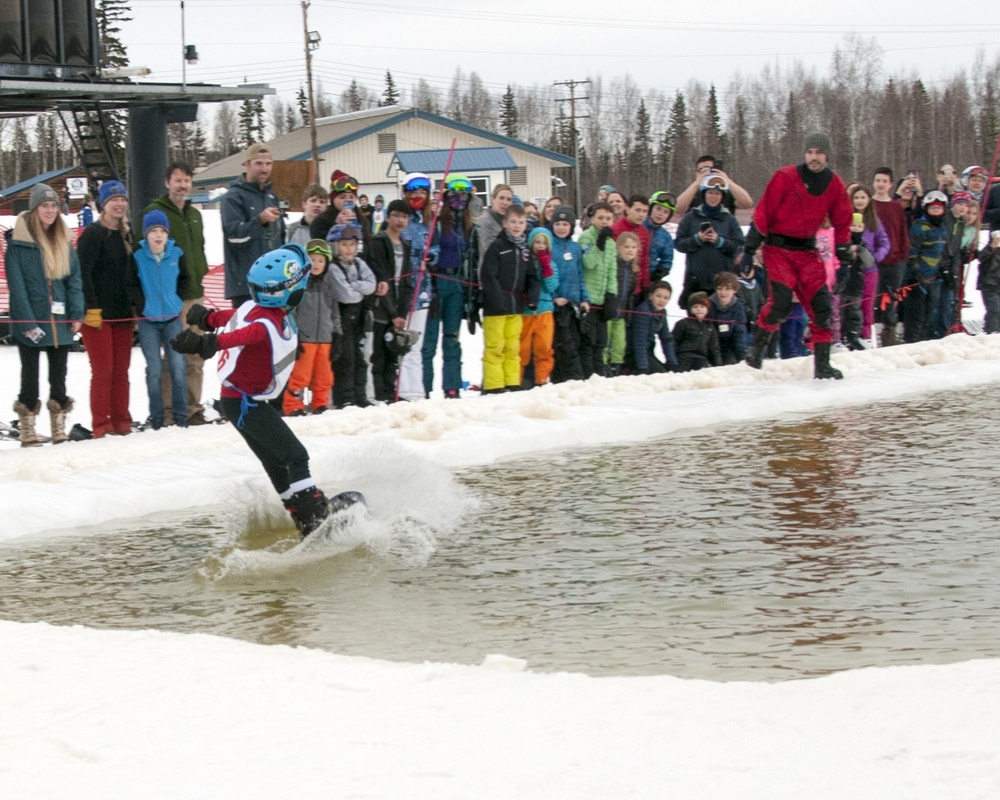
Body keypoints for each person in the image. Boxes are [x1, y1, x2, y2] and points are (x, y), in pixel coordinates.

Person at [172, 245, 348, 537]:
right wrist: (206, 343)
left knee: (275, 460)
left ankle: (300, 514)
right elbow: (240, 334)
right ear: (292, 291)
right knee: (296, 455)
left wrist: (205, 318)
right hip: (246, 405)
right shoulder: (266, 323)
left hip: (239, 402)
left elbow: (232, 317)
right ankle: (315, 517)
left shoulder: (255, 308)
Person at [745, 132, 853, 380]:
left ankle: (822, 365)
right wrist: (751, 245)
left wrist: (844, 256)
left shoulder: (835, 184)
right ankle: (756, 350)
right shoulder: (786, 177)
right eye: (810, 152)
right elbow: (764, 211)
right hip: (778, 250)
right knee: (780, 304)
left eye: (819, 152)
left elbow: (843, 219)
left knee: (822, 309)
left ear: (827, 155)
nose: (814, 157)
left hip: (807, 252)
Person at [6, 184, 84, 446]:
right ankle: (27, 428)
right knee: (30, 376)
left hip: (59, 320)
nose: (50, 210)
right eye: (44, 205)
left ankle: (58, 425)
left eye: (53, 205)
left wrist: (76, 313)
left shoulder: (64, 241)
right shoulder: (18, 244)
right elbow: (17, 288)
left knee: (58, 375)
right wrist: (28, 323)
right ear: (35, 209)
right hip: (31, 320)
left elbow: (74, 281)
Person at [145, 161, 211, 426]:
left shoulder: (195, 215)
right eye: (177, 180)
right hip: (171, 297)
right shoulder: (156, 213)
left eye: (186, 180)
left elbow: (201, 248)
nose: (182, 185)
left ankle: (194, 410)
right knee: (174, 357)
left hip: (196, 294)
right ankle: (170, 411)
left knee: (196, 356)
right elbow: (144, 254)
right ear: (167, 183)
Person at [77, 180, 135, 437]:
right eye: (114, 200)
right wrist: (90, 308)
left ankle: (122, 421)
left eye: (122, 199)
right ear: (104, 204)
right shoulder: (93, 234)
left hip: (123, 312)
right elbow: (83, 273)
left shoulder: (126, 234)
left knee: (121, 371)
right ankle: (101, 424)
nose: (119, 204)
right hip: (98, 314)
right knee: (103, 371)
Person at [127, 210, 190, 430]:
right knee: (154, 369)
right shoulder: (137, 255)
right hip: (148, 320)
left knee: (177, 365)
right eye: (153, 230)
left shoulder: (177, 253)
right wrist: (142, 305)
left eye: (162, 230)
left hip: (172, 318)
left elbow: (185, 279)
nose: (158, 235)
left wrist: (177, 300)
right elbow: (131, 284)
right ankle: (157, 417)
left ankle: (181, 415)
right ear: (146, 234)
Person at [423, 174, 474, 399]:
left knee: (452, 338)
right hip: (437, 283)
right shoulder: (437, 222)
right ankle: (423, 386)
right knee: (430, 341)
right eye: (454, 194)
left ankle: (451, 385)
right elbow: (428, 250)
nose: (459, 198)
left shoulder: (469, 225)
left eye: (463, 194)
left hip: (457, 284)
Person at [479, 204, 540, 393]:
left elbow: (532, 276)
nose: (517, 226)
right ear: (505, 223)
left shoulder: (525, 250)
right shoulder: (497, 246)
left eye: (521, 222)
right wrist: (496, 299)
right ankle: (494, 385)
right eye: (513, 222)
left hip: (516, 306)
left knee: (513, 346)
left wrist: (532, 296)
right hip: (496, 307)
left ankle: (512, 381)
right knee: (496, 346)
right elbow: (487, 274)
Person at [221, 143, 286, 306]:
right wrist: (260, 221)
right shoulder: (232, 198)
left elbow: (280, 239)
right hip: (245, 288)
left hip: (273, 282)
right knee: (249, 332)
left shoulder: (272, 196)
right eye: (259, 163)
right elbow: (234, 237)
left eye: (268, 164)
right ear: (247, 165)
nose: (264, 169)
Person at [283, 239, 341, 416]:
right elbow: (291, 313)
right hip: (305, 339)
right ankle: (294, 405)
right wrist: (294, 336)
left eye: (321, 261)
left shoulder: (329, 287)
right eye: (313, 260)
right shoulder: (299, 286)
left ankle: (320, 403)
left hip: (325, 339)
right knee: (301, 375)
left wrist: (338, 335)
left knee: (324, 376)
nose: (316, 264)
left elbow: (335, 314)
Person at [366, 200, 413, 403]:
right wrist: (393, 313)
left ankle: (391, 391)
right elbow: (381, 276)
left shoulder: (406, 245)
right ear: (387, 217)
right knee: (379, 353)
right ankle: (379, 393)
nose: (400, 220)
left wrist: (402, 312)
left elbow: (406, 281)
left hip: (397, 308)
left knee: (393, 352)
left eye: (404, 217)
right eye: (396, 215)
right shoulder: (378, 242)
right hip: (381, 308)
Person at [675, 175, 745, 309]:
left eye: (717, 193)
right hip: (695, 282)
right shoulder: (691, 217)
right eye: (710, 192)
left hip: (722, 285)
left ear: (722, 196)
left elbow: (739, 245)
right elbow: (679, 243)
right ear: (704, 194)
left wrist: (720, 242)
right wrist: (697, 240)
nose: (713, 196)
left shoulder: (729, 219)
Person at [326, 224, 376, 408]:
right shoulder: (333, 268)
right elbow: (346, 296)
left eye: (353, 244)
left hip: (360, 320)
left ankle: (360, 395)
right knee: (345, 359)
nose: (349, 249)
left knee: (361, 359)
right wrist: (359, 287)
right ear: (335, 245)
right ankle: (344, 398)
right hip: (342, 320)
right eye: (344, 244)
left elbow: (372, 284)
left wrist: (354, 285)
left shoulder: (359, 263)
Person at [395, 172, 434, 401]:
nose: (419, 196)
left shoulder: (428, 221)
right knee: (402, 343)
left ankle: (415, 391)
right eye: (414, 192)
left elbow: (435, 248)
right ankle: (402, 390)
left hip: (423, 290)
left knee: (416, 344)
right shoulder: (400, 220)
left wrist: (430, 257)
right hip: (404, 290)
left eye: (423, 193)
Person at [550, 205, 591, 383]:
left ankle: (565, 380)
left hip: (573, 306)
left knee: (574, 343)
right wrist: (554, 298)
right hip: (557, 306)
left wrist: (584, 299)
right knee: (563, 346)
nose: (560, 227)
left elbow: (580, 275)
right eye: (557, 223)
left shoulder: (575, 248)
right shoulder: (549, 245)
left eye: (565, 224)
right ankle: (572, 380)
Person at [902, 190, 950, 343]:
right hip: (918, 278)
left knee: (930, 312)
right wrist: (914, 272)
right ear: (926, 210)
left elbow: (941, 252)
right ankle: (912, 341)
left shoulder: (942, 229)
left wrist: (943, 268)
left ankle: (924, 340)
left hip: (933, 278)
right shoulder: (920, 227)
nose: (936, 212)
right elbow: (912, 252)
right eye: (932, 209)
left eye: (939, 209)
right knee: (916, 313)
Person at [871, 167, 911, 347]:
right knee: (873, 301)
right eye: (878, 180)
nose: (880, 184)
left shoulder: (896, 206)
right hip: (874, 261)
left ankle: (889, 338)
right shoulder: (869, 204)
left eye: (884, 181)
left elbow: (902, 232)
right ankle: (873, 336)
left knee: (890, 302)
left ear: (891, 184)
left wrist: (903, 256)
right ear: (873, 182)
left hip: (895, 261)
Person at [578, 202, 617, 378]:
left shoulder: (611, 243)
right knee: (587, 340)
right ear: (592, 218)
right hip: (588, 299)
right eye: (600, 218)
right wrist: (598, 244)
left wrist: (611, 295)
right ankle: (587, 375)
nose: (604, 222)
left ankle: (599, 374)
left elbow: (612, 271)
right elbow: (588, 263)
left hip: (602, 299)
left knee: (601, 341)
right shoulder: (586, 237)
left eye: (608, 218)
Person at [520, 227, 559, 388]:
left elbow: (552, 286)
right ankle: (518, 379)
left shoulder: (551, 264)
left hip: (545, 310)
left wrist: (546, 267)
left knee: (543, 348)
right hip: (526, 311)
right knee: (522, 348)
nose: (541, 245)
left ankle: (542, 379)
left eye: (544, 242)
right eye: (537, 242)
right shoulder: (524, 262)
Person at [605, 231, 640, 376]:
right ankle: (604, 366)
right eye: (626, 247)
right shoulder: (614, 265)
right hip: (609, 312)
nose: (630, 250)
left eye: (633, 247)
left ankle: (616, 367)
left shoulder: (633, 270)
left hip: (622, 314)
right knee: (606, 342)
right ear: (618, 248)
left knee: (620, 343)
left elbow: (631, 294)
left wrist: (628, 314)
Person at [674, 154, 754, 216]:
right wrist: (696, 183)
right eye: (703, 170)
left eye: (710, 169)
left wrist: (727, 181)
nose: (707, 173)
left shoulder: (726, 191)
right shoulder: (693, 193)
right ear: (696, 174)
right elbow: (678, 209)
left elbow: (747, 203)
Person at [626, 280, 677, 374]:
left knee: (667, 372)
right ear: (650, 295)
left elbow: (666, 338)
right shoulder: (643, 311)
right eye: (658, 296)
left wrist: (672, 363)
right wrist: (643, 368)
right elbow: (639, 342)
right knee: (660, 375)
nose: (662, 300)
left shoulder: (662, 312)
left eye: (666, 298)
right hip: (633, 353)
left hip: (648, 351)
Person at [611, 196, 653, 302]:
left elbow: (644, 259)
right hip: (617, 284)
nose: (641, 215)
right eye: (638, 210)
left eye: (645, 211)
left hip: (636, 286)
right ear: (627, 209)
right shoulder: (615, 229)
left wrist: (645, 284)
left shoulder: (644, 232)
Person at [672, 292, 721, 372]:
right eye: (695, 307)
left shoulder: (710, 327)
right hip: (684, 356)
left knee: (706, 373)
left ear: (707, 309)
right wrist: (672, 361)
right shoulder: (683, 323)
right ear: (690, 309)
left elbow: (714, 348)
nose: (699, 309)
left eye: (702, 306)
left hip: (701, 358)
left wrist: (719, 365)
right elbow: (674, 341)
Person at [708, 271, 748, 364]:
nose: (723, 292)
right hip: (711, 346)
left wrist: (741, 355)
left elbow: (740, 331)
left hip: (729, 346)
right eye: (719, 288)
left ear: (734, 290)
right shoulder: (709, 305)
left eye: (727, 289)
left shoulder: (738, 307)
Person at [645, 191, 676, 282]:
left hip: (650, 279)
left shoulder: (666, 237)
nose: (661, 214)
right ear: (650, 209)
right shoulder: (638, 227)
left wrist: (661, 271)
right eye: (658, 209)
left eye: (665, 212)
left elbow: (667, 260)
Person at [977, 230, 1000, 333]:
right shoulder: (990, 249)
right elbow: (981, 258)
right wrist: (992, 247)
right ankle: (992, 332)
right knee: (994, 310)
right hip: (990, 285)